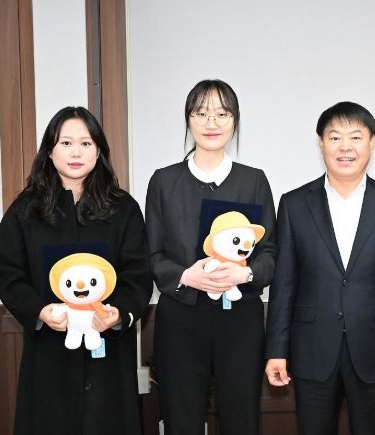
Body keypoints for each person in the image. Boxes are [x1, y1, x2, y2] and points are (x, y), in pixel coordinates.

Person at [0, 106, 153, 435]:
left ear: (99, 151)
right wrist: (39, 310)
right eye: (66, 143)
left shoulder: (123, 208)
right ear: (50, 151)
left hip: (108, 356)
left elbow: (139, 273)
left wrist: (118, 313)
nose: (76, 152)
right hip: (50, 355)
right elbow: (5, 269)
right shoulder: (26, 209)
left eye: (86, 143)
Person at [265, 101, 375, 435]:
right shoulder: (294, 204)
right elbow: (284, 285)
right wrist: (276, 351)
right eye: (335, 137)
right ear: (321, 143)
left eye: (355, 137)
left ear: (371, 143)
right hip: (312, 350)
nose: (345, 147)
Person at [145, 79, 276, 435]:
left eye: (222, 114)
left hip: (240, 320)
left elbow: (269, 251)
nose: (211, 123)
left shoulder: (253, 181)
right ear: (188, 120)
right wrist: (186, 275)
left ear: (235, 121)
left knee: (242, 417)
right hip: (181, 317)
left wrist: (245, 275)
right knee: (181, 417)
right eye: (201, 113)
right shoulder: (163, 181)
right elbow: (152, 253)